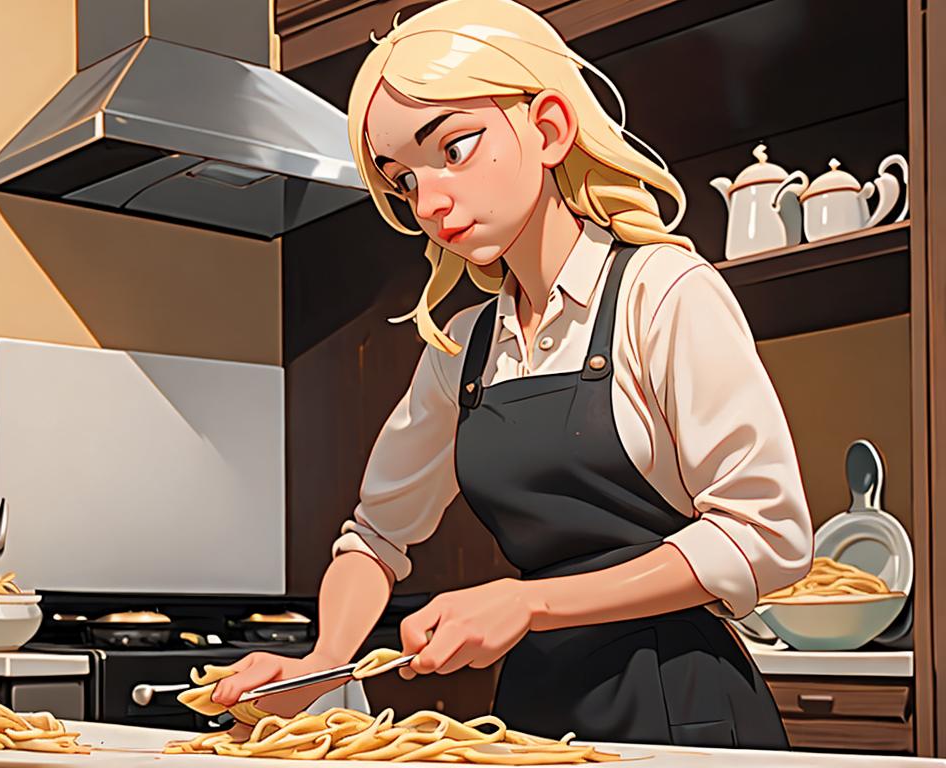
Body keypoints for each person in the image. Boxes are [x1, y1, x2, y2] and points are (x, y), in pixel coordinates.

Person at [212, 0, 812, 749]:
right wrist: (323, 663)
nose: (431, 202)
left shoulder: (663, 292)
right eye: (404, 182)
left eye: (455, 147)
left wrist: (529, 604)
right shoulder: (462, 349)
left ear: (549, 128)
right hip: (534, 717)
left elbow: (767, 535)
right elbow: (374, 537)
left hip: (685, 709)